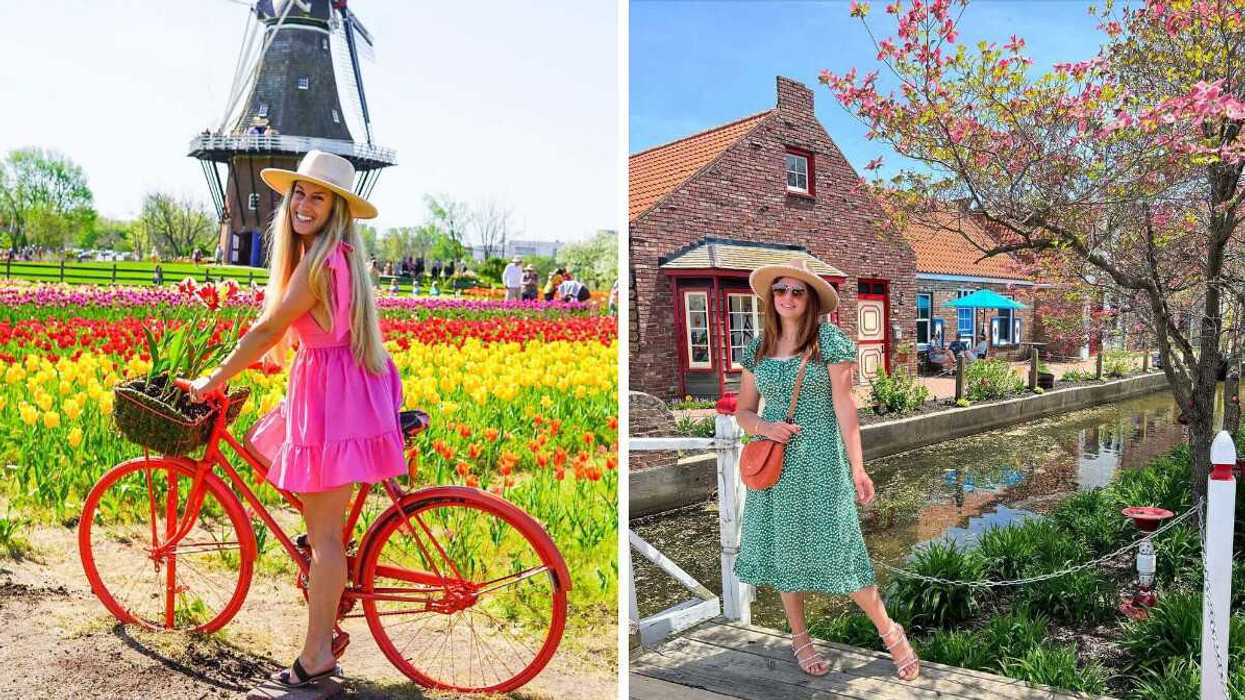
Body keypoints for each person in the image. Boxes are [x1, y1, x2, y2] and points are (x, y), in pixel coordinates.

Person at [186, 150, 405, 691]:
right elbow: (305, 328)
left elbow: (265, 329)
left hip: (332, 398)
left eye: (319, 196)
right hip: (340, 387)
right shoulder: (338, 254)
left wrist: (211, 381)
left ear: (337, 208)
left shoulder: (317, 262)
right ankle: (325, 560)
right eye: (300, 194)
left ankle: (316, 658)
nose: (305, 205)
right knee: (267, 443)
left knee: (326, 537)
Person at [732, 258, 919, 681]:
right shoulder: (758, 347)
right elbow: (744, 411)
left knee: (841, 550)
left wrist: (859, 468)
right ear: (770, 297)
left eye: (797, 291)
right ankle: (800, 637)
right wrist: (765, 427)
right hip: (776, 467)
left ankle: (890, 631)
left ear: (811, 299)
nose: (787, 297)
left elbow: (845, 407)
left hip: (821, 460)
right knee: (785, 551)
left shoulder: (829, 341)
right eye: (780, 290)